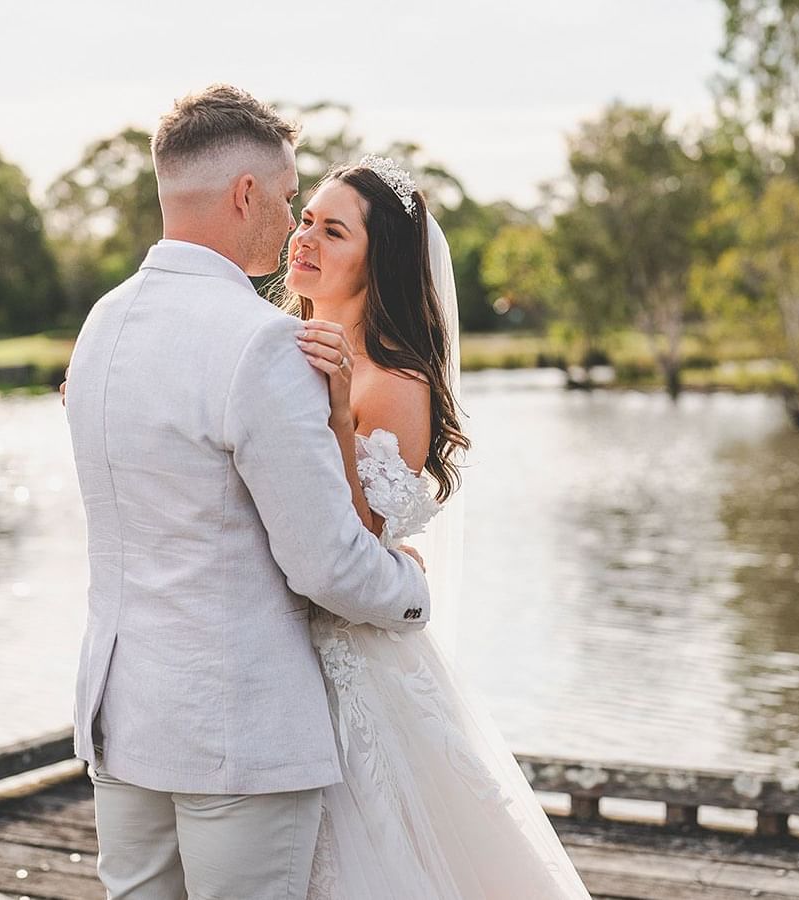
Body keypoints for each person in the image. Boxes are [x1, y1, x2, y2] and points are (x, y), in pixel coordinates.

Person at [63, 85, 430, 900]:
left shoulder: (101, 325)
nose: (291, 216)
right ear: (245, 194)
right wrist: (412, 590)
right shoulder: (261, 343)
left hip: (121, 721)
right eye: (291, 197)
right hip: (237, 731)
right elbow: (325, 564)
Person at [289, 157, 591, 898]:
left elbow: (353, 540)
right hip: (279, 651)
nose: (306, 240)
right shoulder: (278, 347)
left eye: (333, 231)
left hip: (350, 658)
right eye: (305, 221)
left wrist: (335, 410)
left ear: (375, 261)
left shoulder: (395, 382)